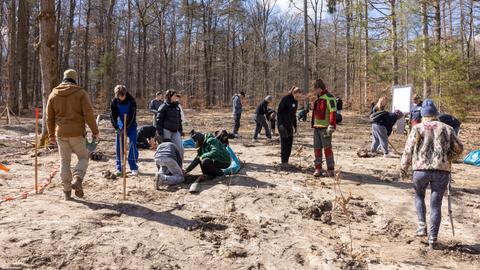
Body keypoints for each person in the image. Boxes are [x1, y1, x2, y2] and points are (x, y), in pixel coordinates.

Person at [401, 99, 463, 249]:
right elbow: (459, 149)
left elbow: (408, 149)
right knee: (436, 205)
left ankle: (422, 225)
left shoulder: (417, 129)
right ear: (436, 114)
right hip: (441, 171)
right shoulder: (447, 129)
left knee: (419, 196)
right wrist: (450, 156)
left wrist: (404, 166)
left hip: (420, 170)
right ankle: (433, 239)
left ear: (423, 115)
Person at [46, 69, 99, 200]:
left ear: (63, 78)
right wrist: (95, 131)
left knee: (64, 161)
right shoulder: (80, 93)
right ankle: (77, 178)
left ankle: (66, 192)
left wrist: (51, 135)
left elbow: (49, 118)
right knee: (83, 157)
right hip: (77, 132)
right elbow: (89, 114)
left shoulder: (53, 94)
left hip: (61, 133)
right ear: (75, 79)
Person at [110, 85, 139, 176]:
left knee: (132, 145)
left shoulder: (132, 101)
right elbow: (113, 116)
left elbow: (133, 115)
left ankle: (133, 167)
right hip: (120, 124)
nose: (122, 98)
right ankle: (119, 168)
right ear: (117, 95)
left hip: (131, 124)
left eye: (123, 95)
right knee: (119, 146)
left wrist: (127, 127)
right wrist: (117, 127)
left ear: (126, 94)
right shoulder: (114, 101)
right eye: (120, 96)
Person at [311, 79, 337, 177]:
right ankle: (318, 168)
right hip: (316, 128)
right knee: (317, 148)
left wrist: (331, 125)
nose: (315, 91)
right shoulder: (318, 99)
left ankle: (330, 169)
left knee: (327, 149)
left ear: (320, 88)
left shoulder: (329, 97)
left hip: (325, 128)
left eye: (316, 89)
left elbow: (333, 111)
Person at [156, 89, 184, 162]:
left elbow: (179, 119)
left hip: (175, 131)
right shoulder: (163, 107)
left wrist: (180, 130)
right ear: (170, 96)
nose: (176, 97)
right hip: (166, 131)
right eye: (174, 96)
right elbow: (159, 121)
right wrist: (160, 134)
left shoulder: (177, 107)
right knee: (167, 150)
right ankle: (166, 169)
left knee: (180, 149)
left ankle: (179, 167)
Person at [277, 86, 302, 168]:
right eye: (297, 96)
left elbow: (294, 115)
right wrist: (280, 124)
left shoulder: (296, 101)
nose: (298, 98)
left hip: (289, 124)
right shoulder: (286, 99)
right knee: (284, 143)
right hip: (282, 124)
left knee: (290, 142)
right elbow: (279, 112)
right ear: (293, 93)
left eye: (299, 96)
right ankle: (283, 162)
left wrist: (295, 127)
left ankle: (286, 160)